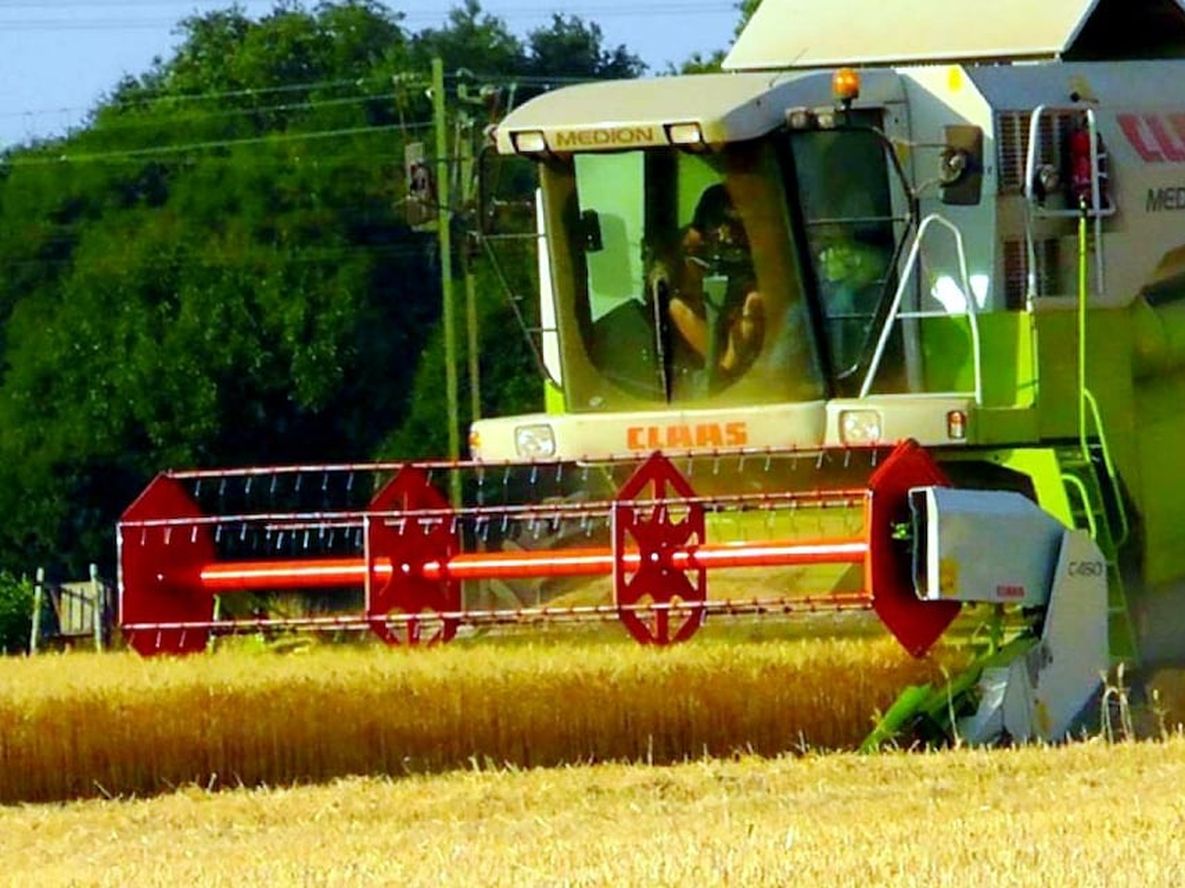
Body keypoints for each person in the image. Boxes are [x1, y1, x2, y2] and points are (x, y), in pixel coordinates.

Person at [666, 184, 764, 378]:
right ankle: (717, 367)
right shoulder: (713, 196)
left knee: (753, 303)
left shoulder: (766, 196)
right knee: (677, 306)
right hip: (714, 278)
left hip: (753, 278)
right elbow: (693, 240)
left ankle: (725, 375)